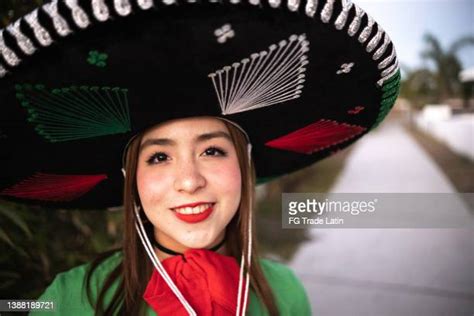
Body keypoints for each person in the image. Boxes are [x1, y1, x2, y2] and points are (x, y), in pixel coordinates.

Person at [0, 0, 400, 315]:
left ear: (244, 165)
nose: (189, 180)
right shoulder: (70, 300)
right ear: (130, 176)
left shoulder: (285, 292)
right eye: (158, 158)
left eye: (212, 150)